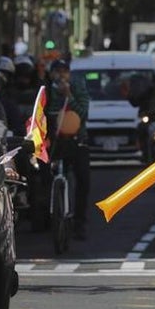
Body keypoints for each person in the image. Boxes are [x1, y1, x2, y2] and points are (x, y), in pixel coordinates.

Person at [45, 57, 91, 240]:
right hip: (54, 141)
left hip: (76, 140)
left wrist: (69, 96)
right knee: (44, 175)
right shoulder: (46, 90)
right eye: (57, 71)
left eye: (64, 71)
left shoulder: (78, 88)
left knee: (83, 180)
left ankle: (79, 222)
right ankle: (48, 217)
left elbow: (83, 113)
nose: (61, 75)